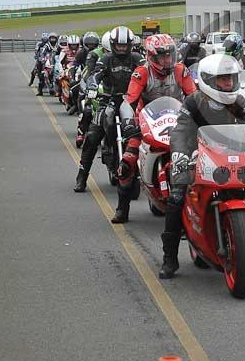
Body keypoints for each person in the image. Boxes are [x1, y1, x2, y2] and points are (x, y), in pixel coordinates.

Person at [159, 54, 245, 279]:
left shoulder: (238, 101)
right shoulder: (193, 101)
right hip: (195, 157)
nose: (228, 84)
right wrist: (180, 154)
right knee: (176, 197)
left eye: (231, 79)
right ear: (208, 80)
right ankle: (169, 258)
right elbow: (181, 131)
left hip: (231, 157)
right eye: (222, 80)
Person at [111, 34, 197, 223]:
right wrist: (128, 122)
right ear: (151, 57)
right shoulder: (141, 73)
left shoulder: (181, 71)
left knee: (197, 158)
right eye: (162, 56)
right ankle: (122, 208)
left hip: (177, 121)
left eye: (170, 55)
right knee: (127, 163)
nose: (167, 60)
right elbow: (128, 102)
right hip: (147, 123)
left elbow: (194, 97)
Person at [74, 27, 143, 193]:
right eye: (118, 45)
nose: (121, 49)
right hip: (108, 100)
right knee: (92, 137)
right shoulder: (105, 59)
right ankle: (81, 177)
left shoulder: (137, 58)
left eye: (124, 45)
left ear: (130, 45)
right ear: (112, 45)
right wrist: (92, 83)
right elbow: (95, 74)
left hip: (132, 102)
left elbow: (146, 71)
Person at [75, 32, 107, 147]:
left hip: (112, 88)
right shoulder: (93, 55)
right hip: (96, 84)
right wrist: (92, 85)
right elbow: (90, 71)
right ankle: (81, 132)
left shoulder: (124, 56)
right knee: (88, 110)